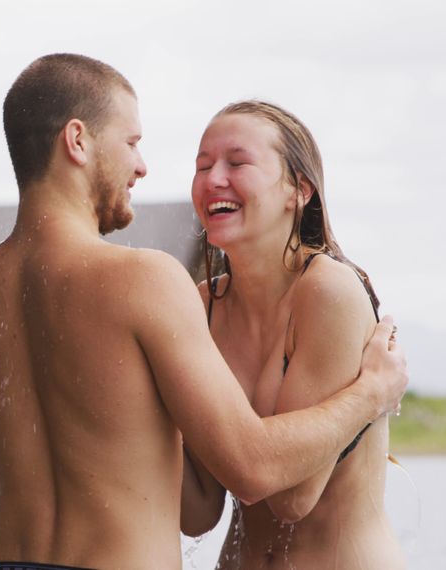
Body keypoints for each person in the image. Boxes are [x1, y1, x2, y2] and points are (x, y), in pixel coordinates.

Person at [0, 54, 408, 570]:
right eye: (132, 143)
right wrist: (372, 394)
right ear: (77, 141)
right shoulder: (152, 283)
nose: (143, 166)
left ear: (299, 191)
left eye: (236, 163)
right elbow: (246, 473)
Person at [181, 100, 406, 569]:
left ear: (298, 190)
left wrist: (371, 395)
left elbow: (292, 496)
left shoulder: (327, 289)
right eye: (203, 166)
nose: (213, 178)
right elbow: (197, 509)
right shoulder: (204, 305)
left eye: (237, 162)